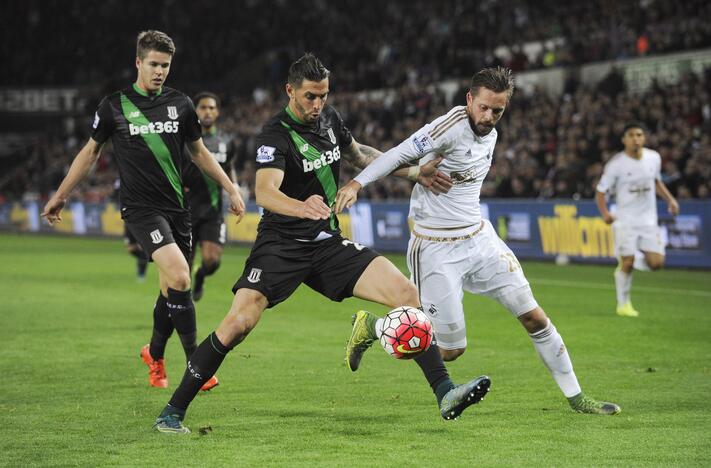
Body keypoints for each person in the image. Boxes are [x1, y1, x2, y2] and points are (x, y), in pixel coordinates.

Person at [153, 53, 488, 434]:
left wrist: (414, 172)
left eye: (323, 96)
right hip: (281, 244)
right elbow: (265, 192)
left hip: (327, 243)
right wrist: (302, 206)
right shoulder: (274, 135)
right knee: (238, 324)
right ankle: (173, 410)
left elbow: (360, 155)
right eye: (310, 97)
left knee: (406, 293)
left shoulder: (329, 119)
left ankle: (445, 392)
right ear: (290, 90)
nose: (317, 105)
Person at [336, 67, 620, 415]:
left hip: (481, 240)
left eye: (497, 110)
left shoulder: (491, 133)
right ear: (470, 99)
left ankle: (578, 398)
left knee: (535, 318)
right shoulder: (449, 128)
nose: (488, 117)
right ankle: (374, 326)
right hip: (436, 248)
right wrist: (357, 184)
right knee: (450, 350)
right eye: (483, 107)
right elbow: (398, 153)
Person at [41, 30, 245, 391]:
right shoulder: (114, 106)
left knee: (171, 288)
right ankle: (197, 366)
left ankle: (154, 354)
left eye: (165, 66)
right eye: (153, 64)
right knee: (181, 276)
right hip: (141, 211)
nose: (159, 72)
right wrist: (61, 194)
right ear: (138, 62)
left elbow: (199, 153)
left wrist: (231, 188)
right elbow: (90, 153)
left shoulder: (181, 105)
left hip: (177, 211)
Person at [595, 123, 679, 317]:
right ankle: (623, 305)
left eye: (639, 134)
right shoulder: (616, 164)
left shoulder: (653, 158)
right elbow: (600, 192)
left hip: (649, 220)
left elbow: (656, 182)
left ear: (644, 138)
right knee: (628, 261)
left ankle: (627, 262)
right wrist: (606, 214)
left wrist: (670, 199)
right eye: (631, 135)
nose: (636, 138)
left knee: (656, 263)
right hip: (625, 220)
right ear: (624, 140)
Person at [183, 92, 237, 301]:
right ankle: (179, 311)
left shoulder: (227, 141)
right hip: (185, 211)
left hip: (213, 212)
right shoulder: (184, 140)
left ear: (218, 112)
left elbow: (229, 166)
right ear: (196, 111)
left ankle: (201, 276)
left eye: (212, 108)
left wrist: (235, 188)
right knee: (181, 269)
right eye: (203, 107)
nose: (208, 111)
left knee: (212, 260)